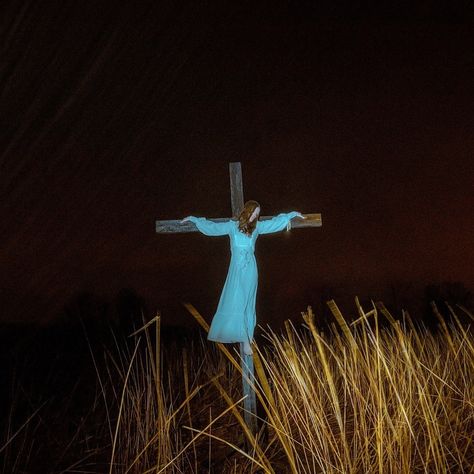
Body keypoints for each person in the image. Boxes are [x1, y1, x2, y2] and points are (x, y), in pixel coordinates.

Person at [181, 200, 304, 355]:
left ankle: (247, 339)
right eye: (254, 213)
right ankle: (236, 334)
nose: (255, 216)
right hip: (236, 269)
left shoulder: (257, 228)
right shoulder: (232, 226)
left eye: (258, 214)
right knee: (235, 300)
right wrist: (195, 219)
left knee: (247, 302)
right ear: (248, 211)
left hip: (251, 269)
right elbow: (213, 228)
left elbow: (274, 223)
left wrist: (291, 215)